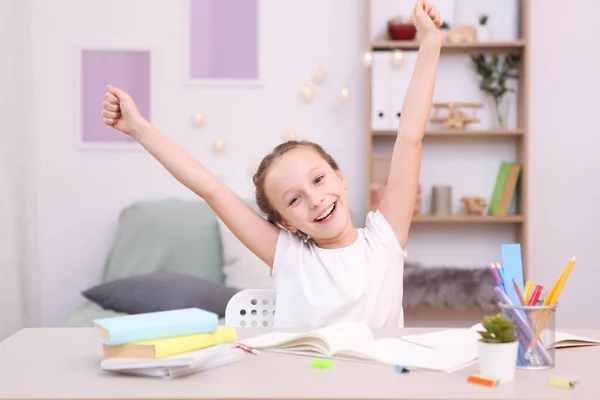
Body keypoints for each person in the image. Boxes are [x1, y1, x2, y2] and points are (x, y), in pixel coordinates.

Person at [101, 0, 443, 328]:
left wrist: (430, 42)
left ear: (340, 177)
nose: (314, 199)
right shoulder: (289, 255)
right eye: (294, 199)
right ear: (286, 224)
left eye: (319, 179)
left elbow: (410, 136)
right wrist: (138, 128)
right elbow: (211, 189)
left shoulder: (385, 239)